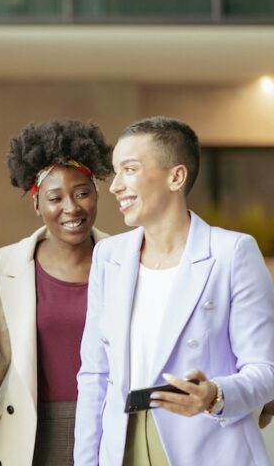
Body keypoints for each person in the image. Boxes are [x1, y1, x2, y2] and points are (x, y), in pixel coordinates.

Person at [74, 117, 274, 465]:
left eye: (129, 169)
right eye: (115, 171)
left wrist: (215, 395)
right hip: (123, 444)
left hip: (209, 445)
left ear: (176, 177)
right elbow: (95, 374)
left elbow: (266, 368)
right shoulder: (110, 256)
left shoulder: (233, 252)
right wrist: (86, 460)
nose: (115, 186)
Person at [0, 120, 112, 466]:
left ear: (95, 193)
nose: (72, 208)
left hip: (107, 426)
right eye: (55, 197)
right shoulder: (7, 264)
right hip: (28, 432)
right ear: (36, 204)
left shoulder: (125, 260)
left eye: (82, 192)